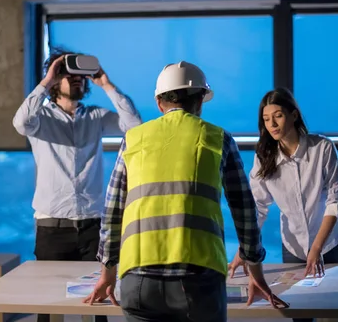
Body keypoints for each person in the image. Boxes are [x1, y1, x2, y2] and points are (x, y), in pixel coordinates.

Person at [84, 61, 288, 322]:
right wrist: (255, 270)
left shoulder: (133, 139)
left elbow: (113, 211)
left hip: (138, 277)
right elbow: (244, 209)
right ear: (201, 101)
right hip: (198, 277)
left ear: (159, 103)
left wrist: (108, 273)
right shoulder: (218, 138)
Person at [12, 48, 142, 322]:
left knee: (98, 304)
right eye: (68, 75)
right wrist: (46, 80)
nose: (77, 80)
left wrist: (106, 84)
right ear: (56, 79)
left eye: (80, 76)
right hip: (52, 227)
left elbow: (134, 126)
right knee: (48, 305)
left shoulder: (95, 117)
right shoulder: (41, 119)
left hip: (93, 226)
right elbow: (21, 122)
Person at [229, 87, 338, 322]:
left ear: (294, 115)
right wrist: (243, 250)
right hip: (294, 243)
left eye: (278, 115)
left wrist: (316, 248)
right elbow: (259, 207)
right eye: (266, 119)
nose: (272, 124)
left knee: (337, 308)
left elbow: (335, 201)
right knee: (299, 309)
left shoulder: (322, 148)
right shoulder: (264, 156)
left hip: (331, 241)